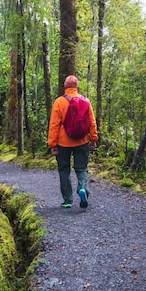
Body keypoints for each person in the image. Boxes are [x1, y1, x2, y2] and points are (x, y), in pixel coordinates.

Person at [47, 75, 98, 209]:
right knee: (82, 168)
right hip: (82, 141)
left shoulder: (59, 102)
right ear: (76, 86)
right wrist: (93, 139)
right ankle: (82, 187)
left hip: (63, 143)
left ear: (65, 86)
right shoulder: (86, 101)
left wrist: (52, 144)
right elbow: (92, 122)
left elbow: (54, 125)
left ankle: (68, 200)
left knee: (64, 170)